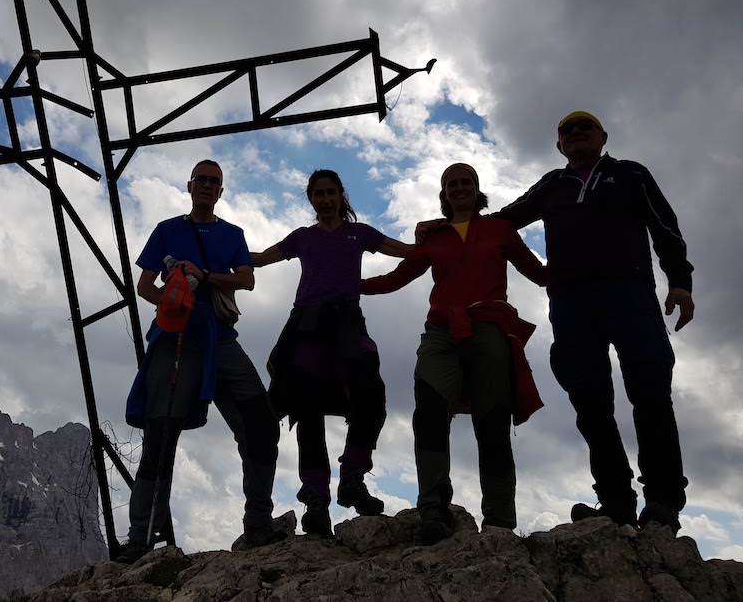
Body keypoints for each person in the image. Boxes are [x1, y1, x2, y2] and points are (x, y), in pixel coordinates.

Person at [418, 111, 694, 534]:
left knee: (651, 392)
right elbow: (499, 222)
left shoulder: (632, 175)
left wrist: (680, 282)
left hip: (630, 294)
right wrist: (450, 226)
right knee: (591, 402)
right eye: (568, 130)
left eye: (586, 128)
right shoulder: (552, 185)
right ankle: (616, 501)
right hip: (571, 303)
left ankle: (662, 501)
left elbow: (665, 226)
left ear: (603, 136)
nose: (577, 134)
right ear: (558, 145)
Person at [362, 163, 547, 544]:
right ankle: (433, 509)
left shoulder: (500, 229)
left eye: (466, 182)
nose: (459, 188)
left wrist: (583, 265)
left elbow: (539, 272)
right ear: (443, 194)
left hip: (490, 327)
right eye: (452, 184)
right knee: (429, 411)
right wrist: (348, 283)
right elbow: (397, 277)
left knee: (493, 420)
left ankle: (499, 521)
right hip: (442, 331)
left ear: (478, 190)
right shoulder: (436, 236)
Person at [118, 159, 284, 563]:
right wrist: (173, 305)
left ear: (221, 191)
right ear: (190, 186)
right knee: (159, 435)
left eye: (215, 182)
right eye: (202, 180)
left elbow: (247, 278)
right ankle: (140, 537)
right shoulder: (167, 230)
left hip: (220, 340)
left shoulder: (232, 234)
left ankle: (258, 522)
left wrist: (204, 278)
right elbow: (143, 286)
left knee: (261, 423)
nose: (208, 186)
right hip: (176, 338)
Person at [251, 169, 411, 536]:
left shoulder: (360, 233)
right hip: (306, 325)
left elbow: (403, 251)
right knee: (307, 408)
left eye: (330, 193)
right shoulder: (303, 238)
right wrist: (221, 253)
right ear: (311, 199)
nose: (324, 200)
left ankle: (352, 477)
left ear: (341, 195)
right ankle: (317, 498)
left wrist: (439, 239)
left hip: (347, 324)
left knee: (371, 394)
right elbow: (261, 259)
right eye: (317, 194)